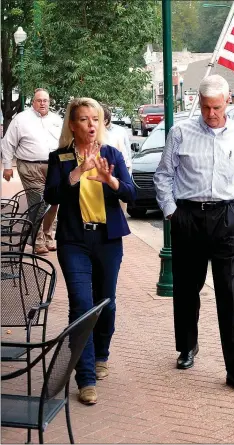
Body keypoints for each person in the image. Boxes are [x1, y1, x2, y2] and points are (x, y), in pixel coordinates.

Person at [153, 74, 234, 393]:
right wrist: (171, 212)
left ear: (227, 102)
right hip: (188, 217)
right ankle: (187, 347)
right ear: (199, 102)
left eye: (217, 107)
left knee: (230, 294)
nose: (211, 114)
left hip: (225, 217)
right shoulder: (180, 132)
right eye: (206, 107)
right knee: (186, 289)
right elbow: (163, 175)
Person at [44, 97, 136, 405]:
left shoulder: (112, 154)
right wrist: (78, 171)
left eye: (94, 119)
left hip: (108, 240)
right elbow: (51, 194)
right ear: (73, 125)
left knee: (105, 304)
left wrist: (110, 180)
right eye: (83, 119)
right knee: (81, 304)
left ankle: (101, 353)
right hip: (74, 242)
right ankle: (85, 378)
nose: (91, 124)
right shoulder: (59, 158)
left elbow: (131, 193)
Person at [2, 88, 63, 255]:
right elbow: (7, 143)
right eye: (39, 100)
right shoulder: (21, 119)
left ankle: (48, 236)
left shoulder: (57, 119)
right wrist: (7, 166)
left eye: (45, 100)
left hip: (53, 166)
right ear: (33, 102)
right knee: (39, 200)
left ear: (49, 102)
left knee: (54, 203)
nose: (43, 103)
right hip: (29, 167)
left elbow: (65, 143)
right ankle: (36, 240)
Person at [102, 104, 132, 174]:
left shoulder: (119, 132)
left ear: (105, 121)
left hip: (118, 171)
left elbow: (127, 154)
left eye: (96, 119)